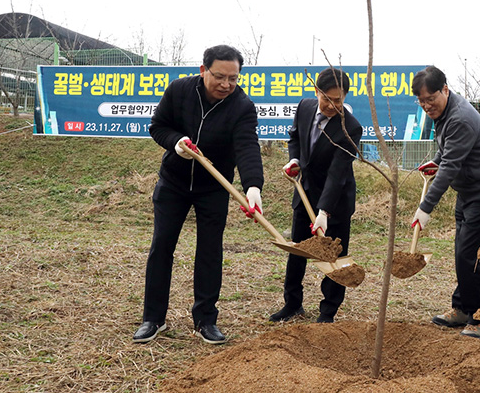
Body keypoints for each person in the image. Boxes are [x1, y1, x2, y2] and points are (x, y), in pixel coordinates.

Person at [133, 45, 264, 345]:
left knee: (209, 251)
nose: (226, 84)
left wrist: (253, 186)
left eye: (233, 78)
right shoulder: (179, 90)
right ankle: (153, 318)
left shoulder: (242, 106)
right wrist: (176, 142)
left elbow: (247, 146)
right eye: (219, 76)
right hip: (173, 183)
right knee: (161, 247)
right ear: (204, 70)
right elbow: (158, 127)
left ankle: (205, 320)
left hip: (213, 189)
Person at [411, 65, 480, 339]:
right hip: (468, 189)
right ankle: (463, 308)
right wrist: (436, 161)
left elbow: (451, 167)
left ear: (445, 89)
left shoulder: (460, 118)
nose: (427, 106)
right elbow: (448, 153)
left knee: (469, 252)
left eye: (431, 99)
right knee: (461, 250)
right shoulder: (445, 114)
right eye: (422, 102)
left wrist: (425, 208)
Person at [270, 67, 362, 324]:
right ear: (316, 92)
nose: (332, 105)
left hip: (336, 200)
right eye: (327, 98)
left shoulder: (350, 128)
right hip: (304, 190)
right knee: (297, 250)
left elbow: (337, 173)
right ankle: (292, 304)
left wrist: (324, 212)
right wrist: (295, 160)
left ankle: (327, 312)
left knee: (336, 256)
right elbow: (294, 138)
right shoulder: (304, 107)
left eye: (338, 100)